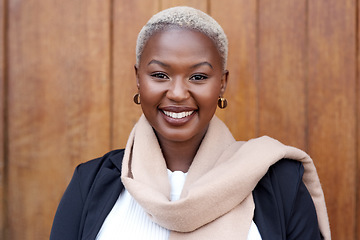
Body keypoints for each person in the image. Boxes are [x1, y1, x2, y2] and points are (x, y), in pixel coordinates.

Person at [50, 6, 331, 240]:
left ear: (222, 84)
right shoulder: (89, 183)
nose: (177, 93)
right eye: (160, 75)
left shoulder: (281, 183)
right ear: (138, 79)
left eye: (198, 77)